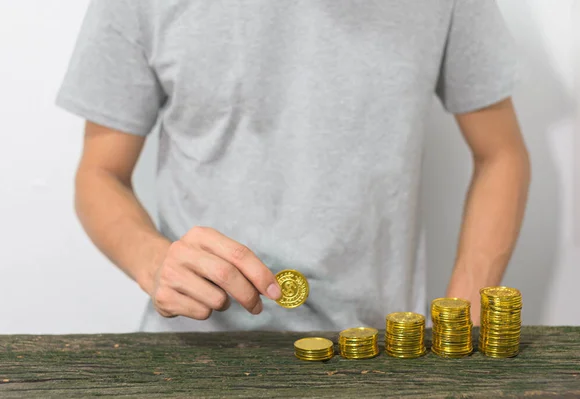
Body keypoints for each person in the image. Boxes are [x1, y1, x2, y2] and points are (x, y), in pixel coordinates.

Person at [56, 0, 530, 332]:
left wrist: (462, 315)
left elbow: (500, 153)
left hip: (379, 353)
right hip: (195, 348)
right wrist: (153, 260)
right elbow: (100, 173)